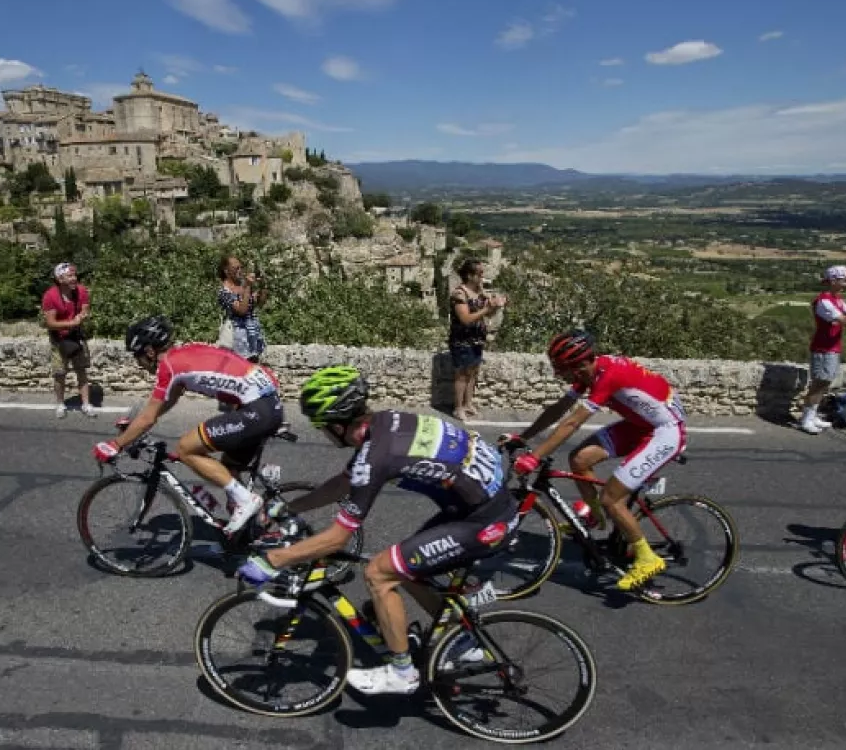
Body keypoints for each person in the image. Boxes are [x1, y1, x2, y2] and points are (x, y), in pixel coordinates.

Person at [236, 366, 518, 696]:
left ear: (339, 425)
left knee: (379, 573)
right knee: (408, 566)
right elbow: (343, 483)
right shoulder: (385, 423)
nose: (324, 435)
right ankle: (461, 641)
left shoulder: (377, 455)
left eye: (324, 428)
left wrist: (274, 559)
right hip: (480, 506)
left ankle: (402, 674)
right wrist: (288, 508)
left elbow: (338, 537)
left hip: (482, 520)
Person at [500, 330, 686, 592]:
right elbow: (559, 409)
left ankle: (647, 557)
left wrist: (534, 457)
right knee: (579, 458)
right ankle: (595, 517)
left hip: (665, 432)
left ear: (580, 365)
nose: (558, 374)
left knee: (613, 498)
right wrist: (523, 437)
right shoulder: (590, 372)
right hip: (639, 425)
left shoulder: (608, 376)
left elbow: (573, 422)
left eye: (561, 369)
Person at [92, 315, 282, 535]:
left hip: (256, 410)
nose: (138, 363)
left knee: (185, 448)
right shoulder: (184, 354)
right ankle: (256, 527)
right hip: (267, 404)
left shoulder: (168, 366)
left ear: (150, 351)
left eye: (138, 356)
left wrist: (115, 445)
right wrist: (135, 427)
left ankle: (246, 500)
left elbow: (148, 418)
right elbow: (166, 401)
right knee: (228, 468)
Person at [799, 265, 846, 435]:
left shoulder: (837, 300)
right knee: (819, 383)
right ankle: (806, 419)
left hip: (831, 348)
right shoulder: (824, 302)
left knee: (824, 383)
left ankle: (812, 415)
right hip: (823, 348)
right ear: (833, 281)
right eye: (844, 279)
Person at [448, 258, 505, 422]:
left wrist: (495, 307)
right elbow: (465, 318)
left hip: (477, 339)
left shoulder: (480, 292)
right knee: (461, 375)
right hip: (462, 340)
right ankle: (458, 408)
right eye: (479, 273)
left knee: (472, 373)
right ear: (469, 275)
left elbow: (487, 315)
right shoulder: (459, 294)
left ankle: (468, 404)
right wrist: (487, 308)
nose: (482, 276)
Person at [42, 262, 97, 418]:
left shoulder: (81, 291)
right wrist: (71, 323)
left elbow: (85, 309)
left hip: (76, 335)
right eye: (70, 276)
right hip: (59, 338)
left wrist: (82, 316)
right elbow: (50, 323)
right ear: (60, 279)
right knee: (60, 373)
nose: (74, 278)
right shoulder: (50, 296)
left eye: (75, 275)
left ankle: (86, 404)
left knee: (81, 370)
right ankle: (60, 403)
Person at [217, 255, 268, 363]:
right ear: (226, 271)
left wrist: (263, 285)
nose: (240, 271)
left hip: (252, 335)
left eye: (241, 267)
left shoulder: (242, 286)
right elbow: (241, 310)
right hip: (237, 339)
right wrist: (248, 286)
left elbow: (260, 303)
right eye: (236, 268)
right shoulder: (224, 291)